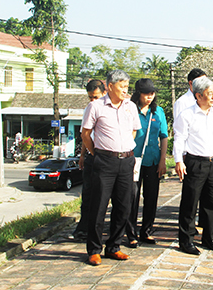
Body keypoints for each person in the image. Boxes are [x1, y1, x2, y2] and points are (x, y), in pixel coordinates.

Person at [81, 70, 141, 266]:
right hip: (104, 161)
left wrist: (123, 149)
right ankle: (94, 249)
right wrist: (96, 153)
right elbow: (86, 134)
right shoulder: (95, 106)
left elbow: (134, 130)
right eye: (122, 86)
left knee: (124, 206)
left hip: (126, 161)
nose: (125, 90)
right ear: (110, 86)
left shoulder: (131, 106)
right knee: (98, 206)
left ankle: (114, 246)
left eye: (127, 86)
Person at [173, 76, 213, 255]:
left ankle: (209, 237)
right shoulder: (187, 114)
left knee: (212, 202)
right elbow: (179, 138)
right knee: (190, 203)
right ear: (198, 96)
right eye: (209, 94)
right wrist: (178, 161)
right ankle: (186, 240)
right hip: (194, 162)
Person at [125, 78, 168, 248]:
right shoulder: (129, 110)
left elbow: (163, 136)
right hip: (133, 161)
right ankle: (131, 233)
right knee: (132, 198)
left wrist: (163, 160)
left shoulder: (158, 112)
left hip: (153, 160)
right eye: (146, 93)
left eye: (152, 93)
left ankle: (147, 231)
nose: (149, 97)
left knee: (151, 197)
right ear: (138, 94)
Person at [72, 79, 107, 241]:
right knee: (88, 194)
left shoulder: (111, 109)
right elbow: (85, 135)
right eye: (90, 97)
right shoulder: (89, 109)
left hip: (107, 156)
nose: (93, 100)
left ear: (104, 93)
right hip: (92, 156)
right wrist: (83, 156)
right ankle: (83, 228)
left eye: (96, 97)